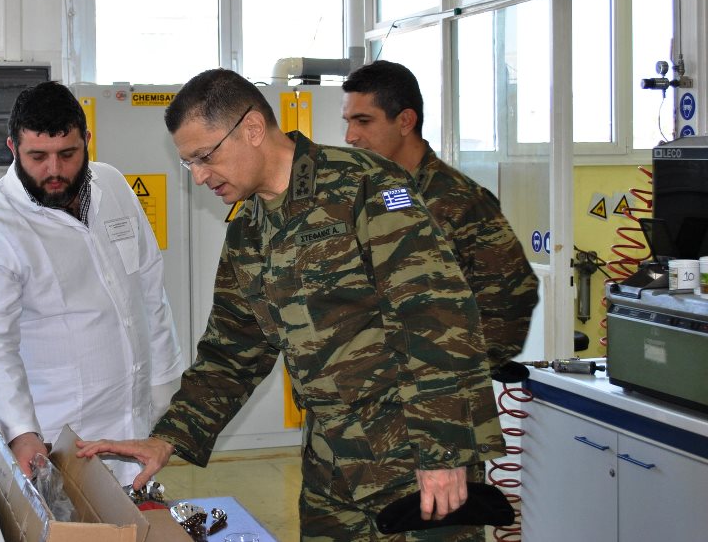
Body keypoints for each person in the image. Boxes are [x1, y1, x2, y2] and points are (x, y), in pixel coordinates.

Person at [78, 68, 505, 541]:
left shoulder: (364, 186)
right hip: (332, 463)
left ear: (252, 129)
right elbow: (231, 354)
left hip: (415, 454)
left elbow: (436, 317)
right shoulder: (249, 233)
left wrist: (445, 455)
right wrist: (168, 437)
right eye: (188, 164)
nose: (198, 177)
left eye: (205, 157)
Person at [0, 80, 184, 485]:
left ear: (87, 142)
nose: (54, 171)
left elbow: (150, 289)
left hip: (135, 422)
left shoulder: (113, 185)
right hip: (58, 438)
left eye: (67, 154)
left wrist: (166, 389)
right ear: (13, 149)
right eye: (37, 157)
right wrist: (20, 432)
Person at [340, 59, 538, 369]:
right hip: (373, 383)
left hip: (435, 390)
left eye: (363, 121)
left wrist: (455, 370)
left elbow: (513, 295)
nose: (350, 136)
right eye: (348, 122)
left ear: (405, 121)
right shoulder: (362, 195)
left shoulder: (459, 201)